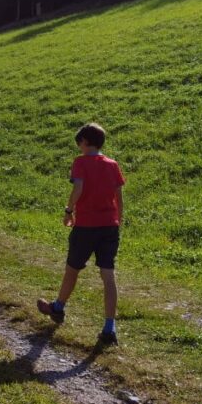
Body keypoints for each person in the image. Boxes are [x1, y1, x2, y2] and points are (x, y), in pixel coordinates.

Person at [38, 122, 126, 346]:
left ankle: (58, 307)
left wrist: (68, 211)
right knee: (108, 275)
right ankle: (109, 327)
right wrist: (118, 221)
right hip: (110, 226)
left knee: (72, 269)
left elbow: (78, 187)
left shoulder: (80, 162)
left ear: (84, 142)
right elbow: (119, 197)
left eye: (79, 143)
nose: (78, 147)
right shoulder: (112, 164)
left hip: (86, 226)